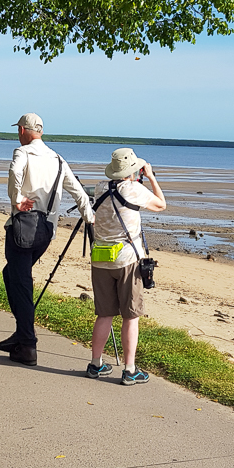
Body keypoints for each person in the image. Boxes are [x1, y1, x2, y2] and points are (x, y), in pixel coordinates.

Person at [0, 113, 94, 366]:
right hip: (47, 231)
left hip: (23, 228)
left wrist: (17, 199)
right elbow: (79, 192)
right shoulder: (57, 159)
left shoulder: (23, 153)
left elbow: (14, 173)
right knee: (13, 275)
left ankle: (27, 344)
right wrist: (89, 217)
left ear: (22, 130)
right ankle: (22, 332)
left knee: (21, 282)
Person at [85, 149, 166, 385]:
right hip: (127, 260)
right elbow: (161, 205)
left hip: (101, 258)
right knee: (130, 316)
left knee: (104, 314)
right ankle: (130, 370)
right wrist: (150, 177)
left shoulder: (100, 188)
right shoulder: (134, 190)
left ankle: (95, 364)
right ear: (133, 171)